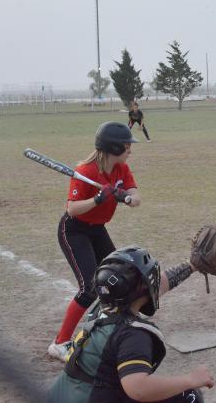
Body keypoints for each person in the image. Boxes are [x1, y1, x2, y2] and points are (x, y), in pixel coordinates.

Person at [47, 247, 213, 403]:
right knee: (188, 395)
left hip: (64, 395)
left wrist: (191, 266)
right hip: (90, 397)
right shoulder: (132, 334)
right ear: (142, 290)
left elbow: (155, 286)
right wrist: (190, 380)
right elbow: (138, 389)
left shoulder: (102, 309)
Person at [48, 121, 142, 362]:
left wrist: (124, 198)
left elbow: (136, 197)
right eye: (126, 145)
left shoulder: (121, 169)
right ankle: (59, 343)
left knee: (119, 276)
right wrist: (97, 200)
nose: (130, 149)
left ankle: (116, 324)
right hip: (74, 231)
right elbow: (72, 209)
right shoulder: (86, 171)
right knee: (90, 287)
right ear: (113, 147)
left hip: (97, 230)